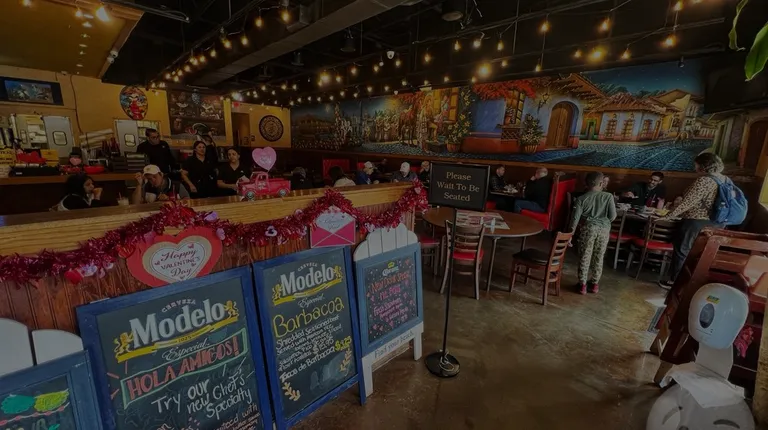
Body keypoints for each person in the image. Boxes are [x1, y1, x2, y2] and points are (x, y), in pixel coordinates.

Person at [658, 153, 727, 290]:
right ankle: (692, 283)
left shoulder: (704, 180)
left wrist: (668, 216)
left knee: (682, 250)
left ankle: (676, 283)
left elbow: (687, 202)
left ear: (703, 166)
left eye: (696, 165)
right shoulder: (724, 179)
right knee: (701, 254)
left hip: (697, 222)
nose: (694, 168)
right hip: (717, 223)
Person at [569, 171, 617, 295]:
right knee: (599, 256)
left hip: (588, 229)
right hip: (604, 230)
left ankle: (582, 285)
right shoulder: (608, 196)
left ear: (586, 183)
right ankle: (594, 284)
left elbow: (575, 219)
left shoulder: (580, 199)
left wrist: (570, 235)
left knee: (585, 256)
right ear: (601, 183)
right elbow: (613, 216)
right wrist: (603, 221)